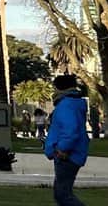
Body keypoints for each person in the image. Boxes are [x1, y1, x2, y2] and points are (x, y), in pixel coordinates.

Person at [44, 74, 89, 206]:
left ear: (59, 89)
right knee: (61, 194)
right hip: (69, 153)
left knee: (63, 195)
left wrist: (61, 148)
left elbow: (71, 130)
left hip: (67, 155)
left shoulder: (66, 105)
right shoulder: (75, 103)